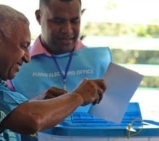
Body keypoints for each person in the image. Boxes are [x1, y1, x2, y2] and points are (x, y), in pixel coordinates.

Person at [0, 4, 107, 141]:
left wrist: (36, 103)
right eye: (23, 46)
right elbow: (32, 120)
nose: (27, 58)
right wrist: (78, 96)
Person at [8, 0, 112, 140]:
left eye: (75, 21)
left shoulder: (102, 62)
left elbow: (120, 125)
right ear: (39, 17)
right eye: (58, 21)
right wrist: (34, 105)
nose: (68, 29)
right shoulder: (12, 65)